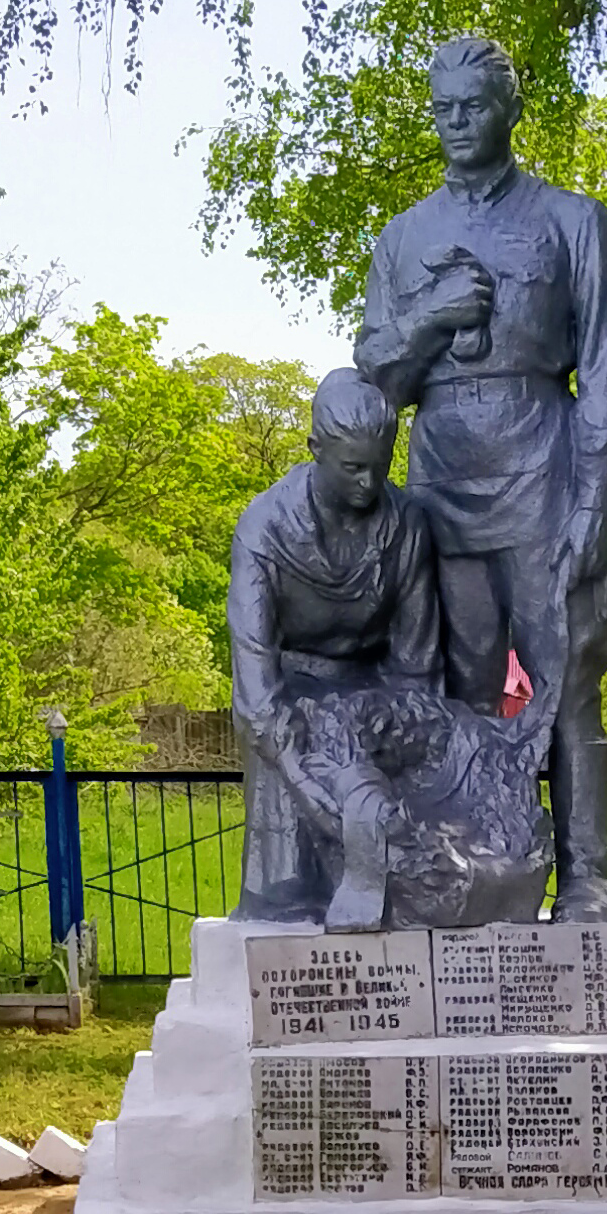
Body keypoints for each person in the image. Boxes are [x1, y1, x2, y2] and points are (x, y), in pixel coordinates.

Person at [352, 34, 607, 923]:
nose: (455, 125)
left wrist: (595, 503)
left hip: (546, 465)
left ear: (511, 110)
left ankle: (586, 876)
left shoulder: (573, 221)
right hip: (440, 473)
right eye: (442, 109)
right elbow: (374, 384)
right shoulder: (402, 241)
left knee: (565, 679)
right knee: (460, 684)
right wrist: (430, 320)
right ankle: (479, 870)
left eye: (472, 107)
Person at [227, 371, 445, 927]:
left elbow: (416, 663)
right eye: (353, 467)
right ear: (315, 450)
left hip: (376, 694)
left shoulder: (408, 526)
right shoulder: (264, 529)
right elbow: (255, 680)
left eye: (380, 465)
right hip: (289, 695)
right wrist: (303, 781)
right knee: (287, 885)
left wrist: (401, 726)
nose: (369, 483)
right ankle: (289, 895)